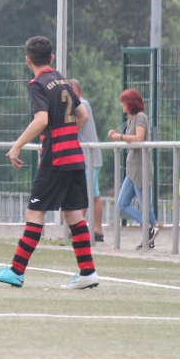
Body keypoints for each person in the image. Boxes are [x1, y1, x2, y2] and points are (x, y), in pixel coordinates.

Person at [0, 36, 98, 289]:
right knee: (73, 215)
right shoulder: (63, 80)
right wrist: (67, 135)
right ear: (52, 58)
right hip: (74, 157)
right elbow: (83, 116)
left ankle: (16, 271)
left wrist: (17, 145)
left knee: (34, 213)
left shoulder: (37, 84)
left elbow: (42, 120)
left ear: (28, 60)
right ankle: (88, 272)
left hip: (55, 158)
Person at [108, 88, 158, 249]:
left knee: (145, 204)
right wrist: (117, 135)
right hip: (132, 168)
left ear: (130, 103)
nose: (122, 104)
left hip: (141, 167)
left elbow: (139, 138)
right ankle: (149, 229)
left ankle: (149, 234)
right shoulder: (131, 119)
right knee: (122, 202)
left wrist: (120, 137)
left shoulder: (140, 117)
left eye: (124, 101)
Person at [69, 79, 103, 242]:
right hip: (85, 158)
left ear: (80, 93)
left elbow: (76, 124)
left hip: (89, 159)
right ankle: (98, 231)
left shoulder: (83, 104)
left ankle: (73, 230)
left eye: (73, 91)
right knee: (94, 195)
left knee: (84, 195)